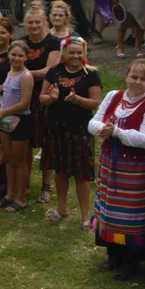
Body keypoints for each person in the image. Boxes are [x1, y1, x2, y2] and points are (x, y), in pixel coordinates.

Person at [89, 60, 145, 280]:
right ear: (126, 77)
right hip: (110, 162)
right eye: (134, 77)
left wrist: (115, 132)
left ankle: (132, 261)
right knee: (108, 207)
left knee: (131, 214)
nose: (137, 82)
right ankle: (113, 255)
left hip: (137, 166)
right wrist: (102, 128)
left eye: (143, 79)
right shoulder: (114, 96)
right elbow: (93, 121)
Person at [38, 36, 102, 227]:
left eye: (79, 53)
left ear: (84, 53)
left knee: (81, 175)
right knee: (60, 171)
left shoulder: (90, 74)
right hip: (57, 129)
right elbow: (42, 98)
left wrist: (77, 100)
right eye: (71, 52)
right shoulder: (54, 72)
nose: (75, 56)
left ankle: (84, 217)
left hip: (80, 129)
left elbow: (94, 102)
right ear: (64, 53)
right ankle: (62, 208)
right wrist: (52, 97)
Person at [21, 2, 62, 203]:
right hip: (24, 97)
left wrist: (25, 74)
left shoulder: (53, 42)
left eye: (38, 22)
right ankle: (25, 182)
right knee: (26, 142)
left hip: (45, 97)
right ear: (25, 24)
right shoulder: (21, 42)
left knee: (46, 143)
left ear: (45, 22)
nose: (34, 26)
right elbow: (14, 65)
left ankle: (46, 186)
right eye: (30, 22)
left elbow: (50, 71)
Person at [0, 40, 34, 212]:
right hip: (5, 120)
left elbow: (25, 103)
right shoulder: (10, 72)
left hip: (20, 121)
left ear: (26, 57)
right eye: (13, 55)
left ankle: (21, 197)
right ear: (8, 55)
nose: (16, 58)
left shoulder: (25, 76)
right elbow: (8, 96)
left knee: (20, 160)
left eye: (20, 56)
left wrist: (4, 112)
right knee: (8, 158)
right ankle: (10, 193)